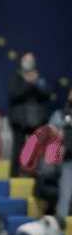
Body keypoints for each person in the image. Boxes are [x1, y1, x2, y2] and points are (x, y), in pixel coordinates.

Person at [8, 53, 54, 177]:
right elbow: (13, 96)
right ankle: (15, 174)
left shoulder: (38, 77)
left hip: (37, 119)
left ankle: (34, 173)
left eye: (31, 60)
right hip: (19, 119)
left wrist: (35, 82)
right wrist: (28, 84)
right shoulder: (15, 77)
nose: (29, 62)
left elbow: (47, 94)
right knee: (18, 146)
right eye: (26, 60)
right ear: (21, 61)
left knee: (36, 146)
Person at [49, 91, 72, 219]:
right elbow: (50, 132)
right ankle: (61, 224)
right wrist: (59, 134)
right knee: (65, 194)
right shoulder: (59, 115)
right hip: (67, 160)